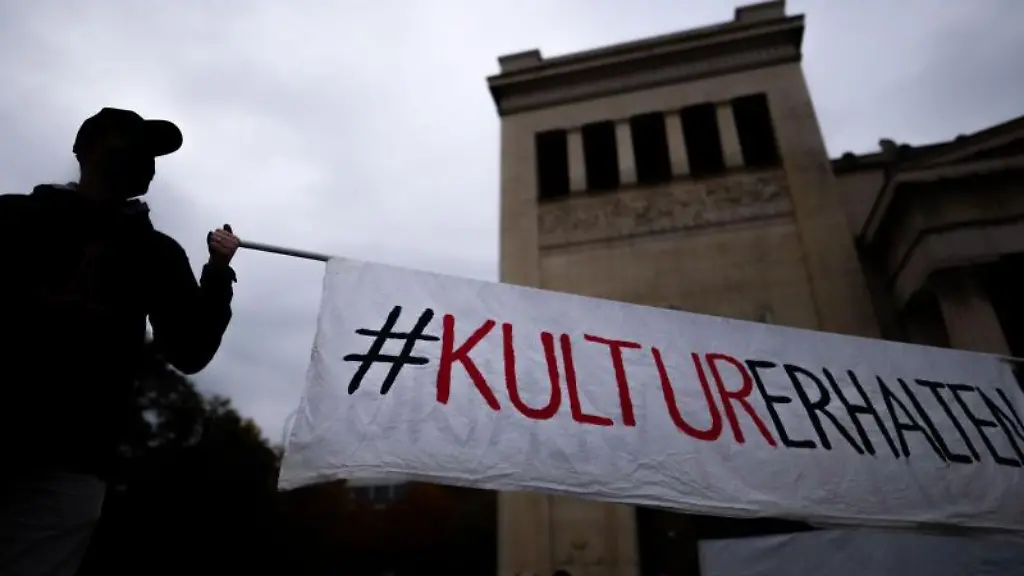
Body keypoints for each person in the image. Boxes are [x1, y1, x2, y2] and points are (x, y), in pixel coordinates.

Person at [0, 108, 241, 576]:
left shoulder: (156, 253)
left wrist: (217, 274)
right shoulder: (11, 220)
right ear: (84, 150)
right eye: (130, 146)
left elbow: (189, 349)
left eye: (152, 154)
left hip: (74, 456)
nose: (145, 161)